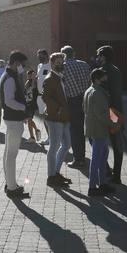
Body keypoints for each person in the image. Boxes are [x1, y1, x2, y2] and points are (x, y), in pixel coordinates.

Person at [0, 51, 30, 198]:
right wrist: (24, 108)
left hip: (12, 119)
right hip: (13, 120)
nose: (23, 67)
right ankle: (11, 187)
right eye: (22, 64)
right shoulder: (10, 78)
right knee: (11, 154)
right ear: (16, 63)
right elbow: (9, 101)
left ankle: (10, 183)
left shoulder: (9, 75)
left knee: (8, 153)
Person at [40, 52, 72, 187]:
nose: (60, 65)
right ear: (52, 63)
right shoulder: (50, 78)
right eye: (57, 63)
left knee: (66, 144)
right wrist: (58, 109)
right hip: (55, 118)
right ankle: (51, 177)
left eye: (61, 62)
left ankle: (55, 173)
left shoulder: (60, 77)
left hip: (63, 117)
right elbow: (45, 97)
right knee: (54, 147)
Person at [95, 46, 126, 184]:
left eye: (99, 55)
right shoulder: (117, 69)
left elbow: (101, 91)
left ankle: (107, 170)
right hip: (117, 110)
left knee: (99, 140)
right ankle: (116, 173)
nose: (97, 58)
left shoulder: (102, 71)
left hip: (107, 110)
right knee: (117, 142)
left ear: (103, 56)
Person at [60, 46, 91, 169]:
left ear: (63, 55)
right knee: (85, 129)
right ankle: (84, 157)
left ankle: (79, 159)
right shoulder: (84, 64)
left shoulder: (64, 67)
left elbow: (63, 86)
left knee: (75, 130)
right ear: (74, 53)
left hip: (73, 101)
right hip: (86, 98)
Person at [83, 68, 112, 197]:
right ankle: (93, 187)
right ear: (97, 79)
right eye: (103, 77)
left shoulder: (89, 90)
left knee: (102, 156)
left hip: (92, 128)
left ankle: (102, 183)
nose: (106, 80)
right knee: (97, 158)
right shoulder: (98, 93)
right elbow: (102, 114)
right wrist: (115, 123)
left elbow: (84, 109)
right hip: (99, 129)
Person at [23, 67, 44, 143]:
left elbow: (33, 88)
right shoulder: (28, 82)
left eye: (30, 75)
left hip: (32, 104)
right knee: (29, 120)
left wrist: (34, 78)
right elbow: (25, 92)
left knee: (29, 120)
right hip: (27, 103)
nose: (28, 76)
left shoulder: (35, 82)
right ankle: (36, 130)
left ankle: (32, 137)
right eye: (28, 75)